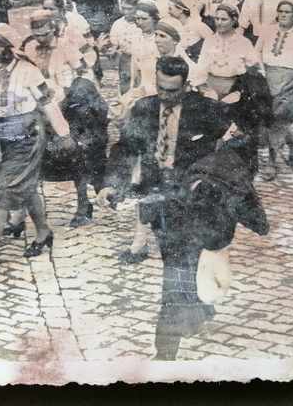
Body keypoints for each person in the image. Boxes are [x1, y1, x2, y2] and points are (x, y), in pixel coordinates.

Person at [98, 56, 268, 359]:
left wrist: (207, 175)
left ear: (186, 86)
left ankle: (165, 351)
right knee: (176, 263)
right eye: (161, 88)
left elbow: (240, 145)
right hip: (158, 202)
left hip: (194, 204)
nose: (166, 96)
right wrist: (112, 183)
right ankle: (200, 306)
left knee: (174, 273)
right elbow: (125, 148)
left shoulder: (206, 110)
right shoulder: (144, 108)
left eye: (173, 91)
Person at [0, 25, 74, 280]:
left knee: (1, 192)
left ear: (6, 45)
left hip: (27, 137)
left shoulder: (28, 71)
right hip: (0, 135)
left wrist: (64, 134)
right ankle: (43, 232)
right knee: (23, 187)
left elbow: (47, 102)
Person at [22, 10, 109, 228]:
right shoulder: (30, 47)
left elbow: (84, 73)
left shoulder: (66, 47)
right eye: (37, 34)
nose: (41, 39)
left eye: (45, 34)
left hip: (68, 106)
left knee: (75, 153)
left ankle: (83, 203)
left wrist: (71, 94)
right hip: (38, 106)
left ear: (53, 29)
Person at [255, 0, 293, 179]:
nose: (283, 15)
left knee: (279, 121)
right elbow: (256, 52)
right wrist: (260, 71)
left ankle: (272, 162)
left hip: (289, 82)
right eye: (280, 11)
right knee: (269, 118)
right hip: (267, 79)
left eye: (287, 12)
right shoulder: (267, 31)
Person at [194, 5, 260, 100]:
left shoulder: (244, 42)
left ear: (234, 20)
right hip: (210, 89)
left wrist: (240, 91)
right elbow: (201, 66)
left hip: (234, 91)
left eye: (224, 19)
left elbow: (254, 69)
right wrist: (203, 89)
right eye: (217, 19)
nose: (219, 23)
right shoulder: (209, 40)